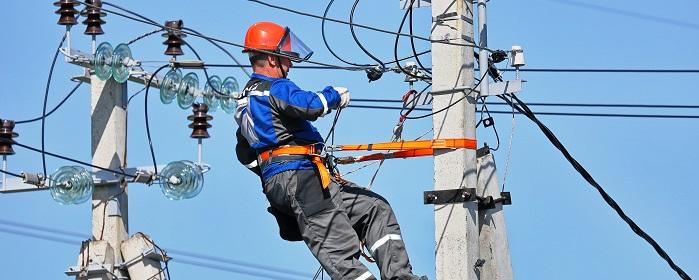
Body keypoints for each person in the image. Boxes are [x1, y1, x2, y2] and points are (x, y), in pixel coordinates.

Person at [234, 21, 426, 280]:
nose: (289, 66)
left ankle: (400, 276)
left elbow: (245, 155)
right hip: (301, 180)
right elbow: (311, 106)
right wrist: (333, 95)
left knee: (374, 208)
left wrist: (277, 176)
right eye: (285, 59)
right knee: (340, 250)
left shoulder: (247, 98)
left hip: (297, 180)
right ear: (271, 58)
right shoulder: (276, 88)